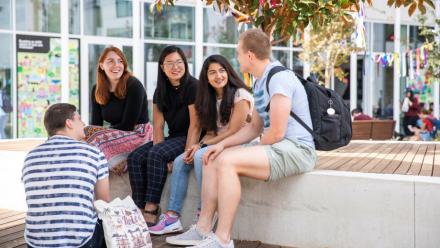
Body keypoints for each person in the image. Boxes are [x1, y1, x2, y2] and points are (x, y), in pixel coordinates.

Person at [166, 29, 317, 247]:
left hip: (298, 150)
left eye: (238, 52)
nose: (236, 57)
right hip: (279, 148)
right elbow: (253, 128)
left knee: (227, 162)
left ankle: (223, 238)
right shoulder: (259, 82)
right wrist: (221, 145)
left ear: (250, 55)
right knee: (211, 156)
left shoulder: (279, 78)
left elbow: (276, 133)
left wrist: (238, 152)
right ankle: (203, 229)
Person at [149, 55, 254, 235]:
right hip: (217, 142)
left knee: (200, 156)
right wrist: (197, 144)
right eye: (212, 72)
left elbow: (232, 132)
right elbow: (212, 131)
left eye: (222, 71)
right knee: (181, 160)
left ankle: (204, 213)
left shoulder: (240, 95)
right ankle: (173, 216)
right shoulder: (208, 98)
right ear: (206, 77)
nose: (218, 76)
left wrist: (200, 146)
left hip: (238, 143)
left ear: (228, 72)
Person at [127, 45, 199, 226]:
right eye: (170, 63)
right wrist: (160, 149)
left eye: (179, 62)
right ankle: (139, 207)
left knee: (156, 153)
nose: (175, 67)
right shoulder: (160, 91)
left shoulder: (194, 86)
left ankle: (151, 207)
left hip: (191, 138)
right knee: (135, 157)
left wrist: (182, 155)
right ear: (162, 67)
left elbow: (195, 126)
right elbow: (158, 127)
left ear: (185, 63)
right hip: (173, 137)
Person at [22, 103, 110, 248]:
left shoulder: (30, 157)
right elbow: (103, 201)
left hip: (35, 242)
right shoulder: (94, 153)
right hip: (81, 241)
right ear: (69, 123)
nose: (84, 123)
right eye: (79, 119)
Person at [86, 46, 152, 175]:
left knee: (91, 133)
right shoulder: (97, 89)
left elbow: (128, 125)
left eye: (120, 61)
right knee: (88, 133)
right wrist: (92, 133)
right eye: (110, 61)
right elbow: (96, 123)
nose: (117, 65)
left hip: (139, 133)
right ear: (101, 65)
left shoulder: (134, 85)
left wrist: (100, 133)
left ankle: (114, 163)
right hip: (118, 134)